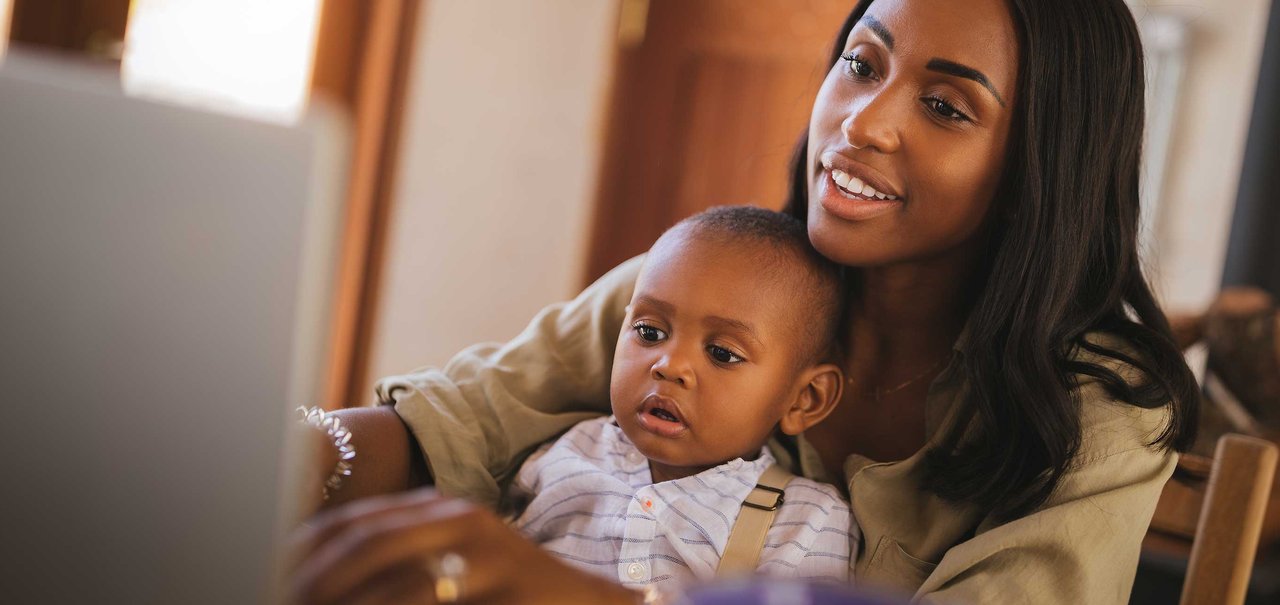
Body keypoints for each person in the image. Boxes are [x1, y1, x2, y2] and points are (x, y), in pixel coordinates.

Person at [290, 0, 1199, 603]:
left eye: (947, 107)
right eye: (861, 62)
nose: (862, 120)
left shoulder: (1104, 412)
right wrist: (276, 459)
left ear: (1035, 169)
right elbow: (449, 425)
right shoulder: (713, 281)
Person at [507, 206, 857, 597]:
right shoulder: (565, 456)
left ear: (803, 400)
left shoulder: (806, 522)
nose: (669, 366)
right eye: (649, 331)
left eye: (722, 353)